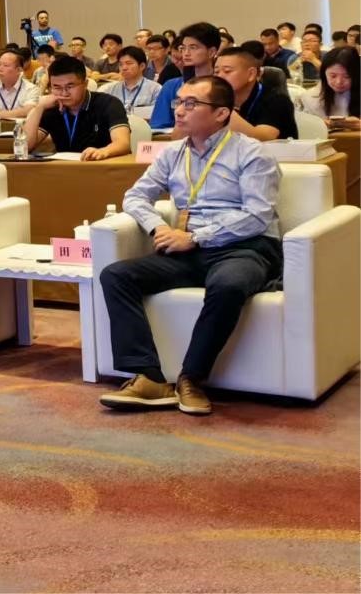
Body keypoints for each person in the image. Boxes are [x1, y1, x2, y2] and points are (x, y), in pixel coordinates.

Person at [97, 76, 281, 417]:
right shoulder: (173, 153)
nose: (179, 110)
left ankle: (191, 378)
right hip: (189, 249)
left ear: (221, 113)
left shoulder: (252, 154)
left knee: (228, 284)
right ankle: (149, 377)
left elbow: (257, 216)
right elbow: (134, 197)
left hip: (245, 247)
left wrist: (195, 237)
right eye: (178, 102)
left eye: (191, 104)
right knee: (116, 275)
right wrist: (159, 227)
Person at [21, 56, 131, 160]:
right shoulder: (52, 107)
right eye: (57, 87)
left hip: (101, 166)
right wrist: (39, 108)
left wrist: (103, 151)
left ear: (85, 84)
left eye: (70, 86)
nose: (64, 93)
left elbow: (123, 143)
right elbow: (25, 147)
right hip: (63, 168)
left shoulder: (108, 103)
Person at [212, 46, 297, 141]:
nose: (220, 76)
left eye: (227, 71)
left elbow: (264, 138)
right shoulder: (219, 99)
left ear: (251, 74)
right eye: (216, 72)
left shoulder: (277, 100)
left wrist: (223, 112)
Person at [151, 23, 222, 129]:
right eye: (183, 48)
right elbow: (158, 125)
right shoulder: (171, 86)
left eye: (193, 47)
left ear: (211, 52)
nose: (186, 53)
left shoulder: (223, 86)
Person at [299, 46, 360, 131]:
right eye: (333, 76)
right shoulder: (311, 97)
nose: (339, 82)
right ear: (324, 74)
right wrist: (318, 124)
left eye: (347, 76)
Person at [100, 46, 162, 120]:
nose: (124, 68)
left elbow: (158, 115)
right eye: (121, 64)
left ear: (142, 66)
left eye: (129, 63)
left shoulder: (156, 89)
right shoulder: (109, 89)